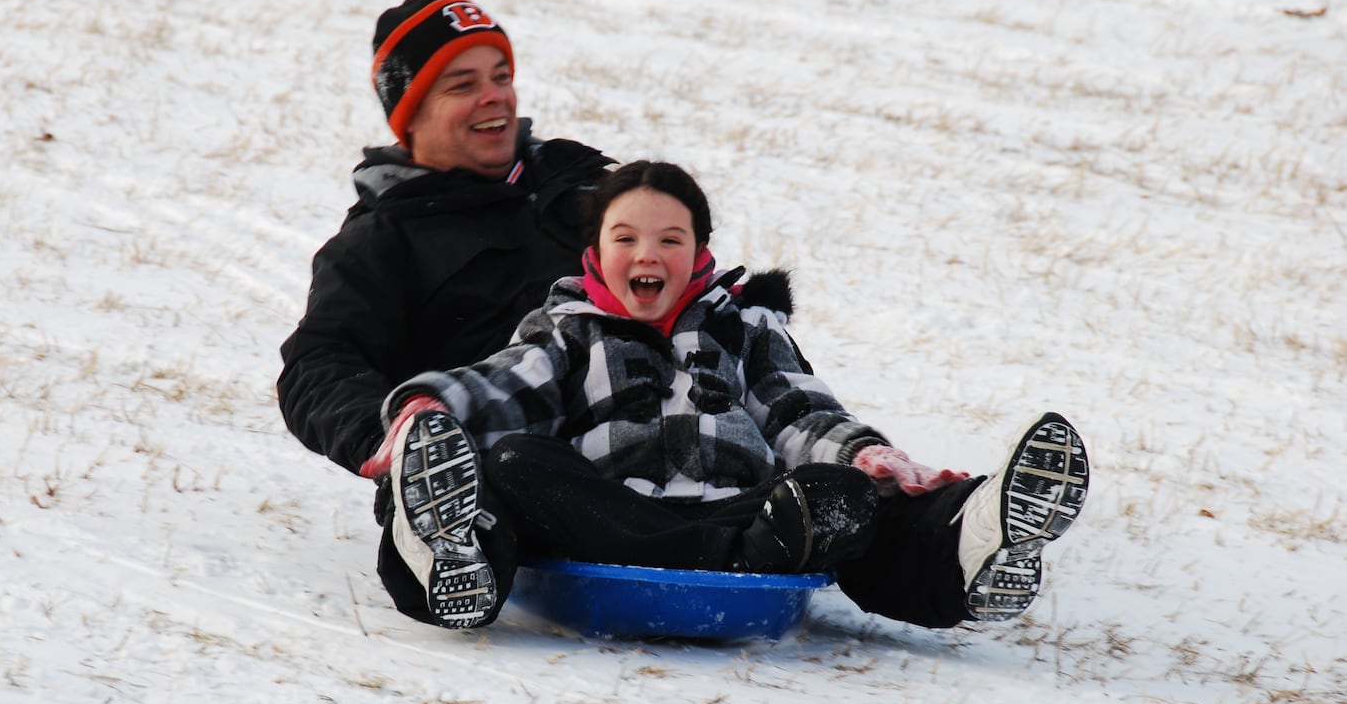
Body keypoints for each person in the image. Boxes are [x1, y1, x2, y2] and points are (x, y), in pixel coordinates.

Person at [380, 161, 1090, 631]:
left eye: (669, 238)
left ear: (700, 251)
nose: (647, 254)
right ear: (596, 254)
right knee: (510, 464)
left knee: (842, 494)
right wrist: (425, 408)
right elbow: (502, 383)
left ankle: (970, 550)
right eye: (625, 237)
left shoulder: (743, 326)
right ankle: (448, 556)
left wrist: (872, 458)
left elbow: (800, 412)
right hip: (614, 517)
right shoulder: (567, 333)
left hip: (755, 517)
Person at [277, 0, 613, 629]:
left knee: (796, 469)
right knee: (514, 480)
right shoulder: (382, 242)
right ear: (411, 117)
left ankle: (844, 517)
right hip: (515, 452)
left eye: (502, 77)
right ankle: (444, 539)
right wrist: (395, 435)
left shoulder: (583, 190)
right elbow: (318, 363)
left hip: (651, 426)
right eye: (464, 84)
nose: (496, 98)